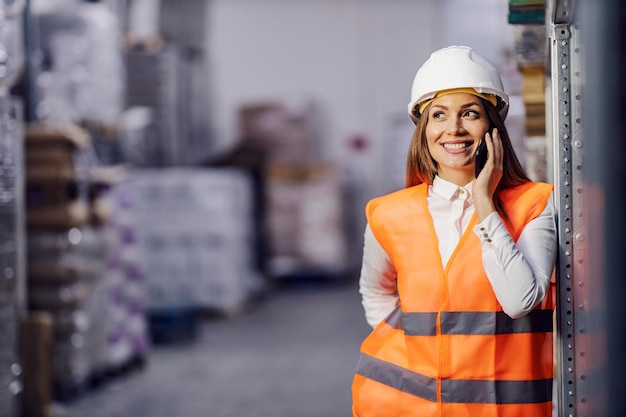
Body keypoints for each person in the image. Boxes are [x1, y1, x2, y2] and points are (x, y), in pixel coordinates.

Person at [351, 45, 557, 417]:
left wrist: (484, 200)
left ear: (493, 126)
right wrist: (412, 353)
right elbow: (375, 292)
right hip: (410, 408)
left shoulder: (535, 204)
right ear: (424, 130)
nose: (454, 129)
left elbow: (520, 300)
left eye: (470, 113)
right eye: (439, 116)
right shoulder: (389, 214)